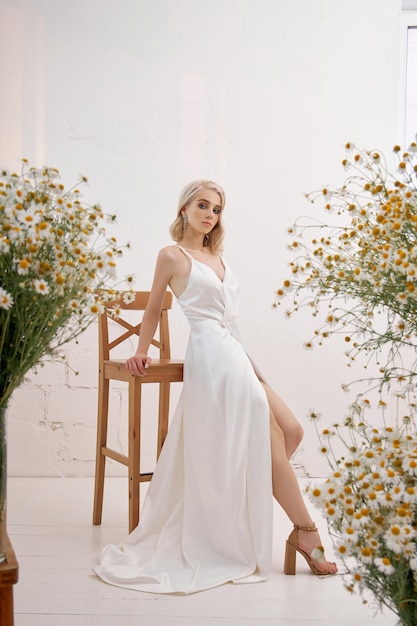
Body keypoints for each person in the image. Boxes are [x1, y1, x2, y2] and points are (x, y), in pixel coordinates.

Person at [94, 180, 337, 594]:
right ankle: (305, 531)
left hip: (234, 349)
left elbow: (229, 315)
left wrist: (250, 363)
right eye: (202, 205)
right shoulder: (172, 255)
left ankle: (241, 489)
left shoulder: (216, 254)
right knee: (273, 436)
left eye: (217, 209)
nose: (210, 214)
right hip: (210, 354)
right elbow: (154, 306)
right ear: (184, 209)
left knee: (291, 431)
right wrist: (141, 349)